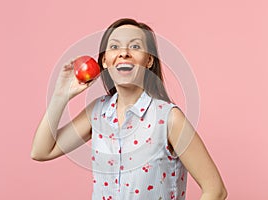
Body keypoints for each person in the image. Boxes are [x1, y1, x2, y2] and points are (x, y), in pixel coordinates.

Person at [31, 18, 227, 200]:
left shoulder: (169, 118)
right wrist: (60, 96)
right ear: (105, 61)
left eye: (134, 46)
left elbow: (216, 190)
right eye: (115, 46)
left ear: (149, 61)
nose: (124, 53)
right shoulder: (97, 113)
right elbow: (41, 151)